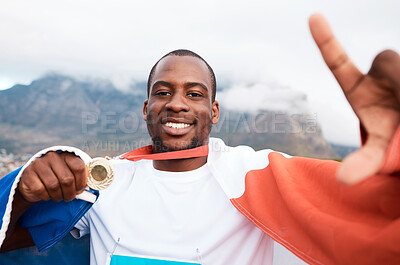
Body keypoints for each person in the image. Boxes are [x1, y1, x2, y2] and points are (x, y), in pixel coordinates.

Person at [0, 14, 399, 265]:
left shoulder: (261, 175)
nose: (176, 105)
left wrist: (393, 143)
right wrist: (23, 191)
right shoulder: (104, 182)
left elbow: (377, 217)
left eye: (194, 94)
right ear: (145, 108)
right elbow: (10, 240)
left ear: (214, 112)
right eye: (162, 92)